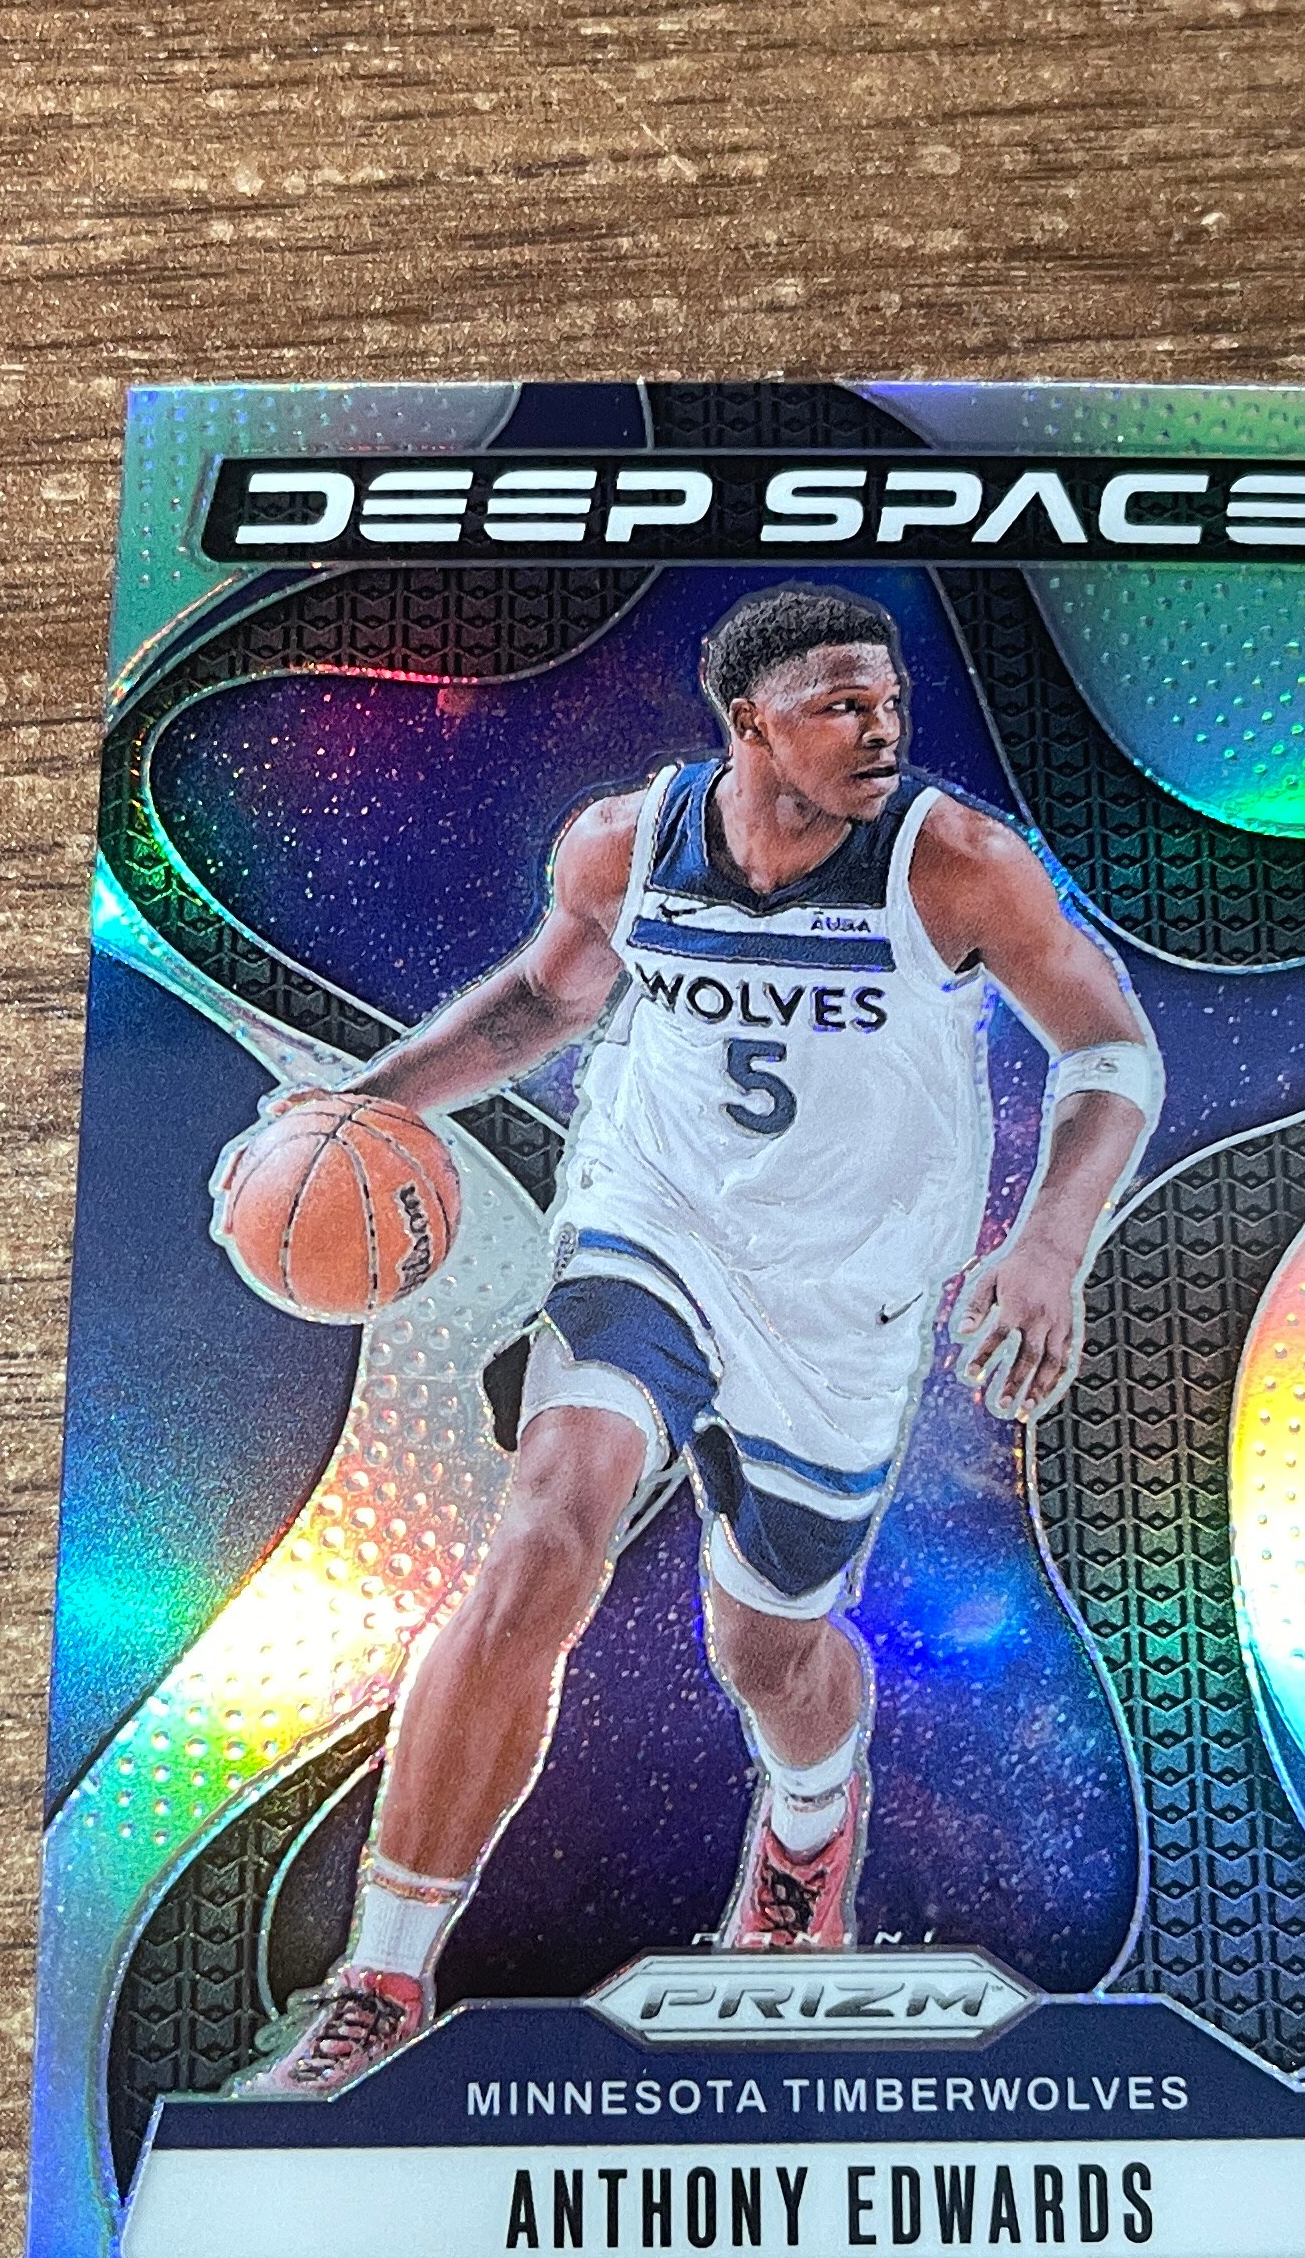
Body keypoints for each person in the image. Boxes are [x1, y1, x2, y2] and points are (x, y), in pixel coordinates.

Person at [225, 581, 1161, 2096]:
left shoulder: (956, 864)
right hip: (649, 1231)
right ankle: (382, 1979)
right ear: (750, 723)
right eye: (840, 704)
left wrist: (1050, 1241)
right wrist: (364, 1104)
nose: (880, 729)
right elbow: (541, 1003)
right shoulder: (624, 844)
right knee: (543, 1540)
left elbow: (1110, 1049)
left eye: (889, 702)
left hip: (843, 1303)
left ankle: (809, 1824)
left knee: (766, 1651)